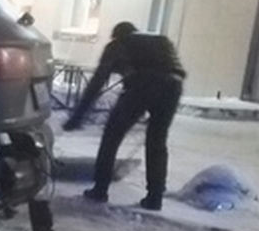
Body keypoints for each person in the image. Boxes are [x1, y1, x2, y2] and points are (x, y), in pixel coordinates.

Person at [62, 22, 186, 210]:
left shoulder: (118, 45)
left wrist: (77, 117)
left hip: (143, 85)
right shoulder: (161, 41)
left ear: (117, 35)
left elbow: (97, 82)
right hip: (174, 86)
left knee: (112, 135)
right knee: (157, 142)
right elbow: (171, 69)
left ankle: (100, 189)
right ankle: (155, 197)